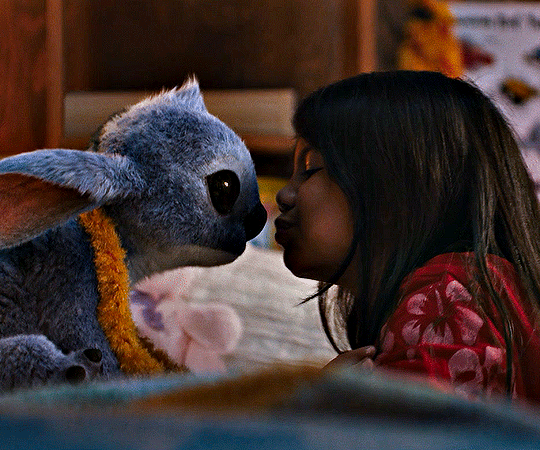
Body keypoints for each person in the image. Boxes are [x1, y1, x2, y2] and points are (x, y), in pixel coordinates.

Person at [274, 70, 540, 402]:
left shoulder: (446, 296)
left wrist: (314, 408)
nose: (284, 195)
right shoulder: (473, 288)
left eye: (311, 168)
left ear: (392, 193)